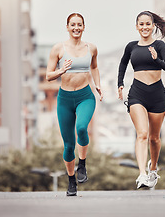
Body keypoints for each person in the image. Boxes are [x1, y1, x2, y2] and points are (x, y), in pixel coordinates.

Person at [117, 11, 165, 189]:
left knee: (154, 138)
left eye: (147, 24)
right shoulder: (131, 46)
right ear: (137, 26)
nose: (144, 27)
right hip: (137, 93)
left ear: (153, 26)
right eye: (141, 24)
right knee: (142, 134)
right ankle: (142, 174)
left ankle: (153, 168)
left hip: (157, 94)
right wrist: (120, 84)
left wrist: (156, 59)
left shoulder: (159, 45)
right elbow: (123, 63)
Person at [46, 13, 103, 196]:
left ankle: (83, 164)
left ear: (84, 27)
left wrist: (98, 85)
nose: (76, 28)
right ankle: (71, 180)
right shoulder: (58, 49)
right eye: (73, 25)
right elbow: (48, 76)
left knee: (81, 128)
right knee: (68, 145)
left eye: (79, 25)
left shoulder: (91, 48)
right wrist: (61, 70)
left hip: (85, 96)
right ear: (68, 27)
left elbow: (94, 67)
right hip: (64, 99)